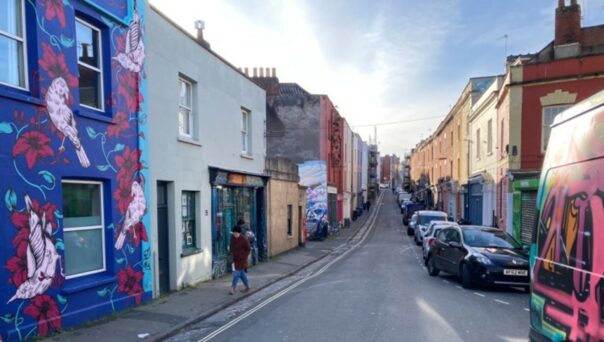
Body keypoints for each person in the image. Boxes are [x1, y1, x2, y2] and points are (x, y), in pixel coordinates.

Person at [229, 225, 251, 295]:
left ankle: (233, 288)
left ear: (239, 233)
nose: (235, 234)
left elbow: (248, 249)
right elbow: (231, 247)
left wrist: (244, 256)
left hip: (242, 259)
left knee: (236, 274)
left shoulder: (244, 239)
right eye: (234, 233)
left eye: (236, 233)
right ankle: (247, 287)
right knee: (241, 274)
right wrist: (231, 255)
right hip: (235, 259)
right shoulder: (233, 238)